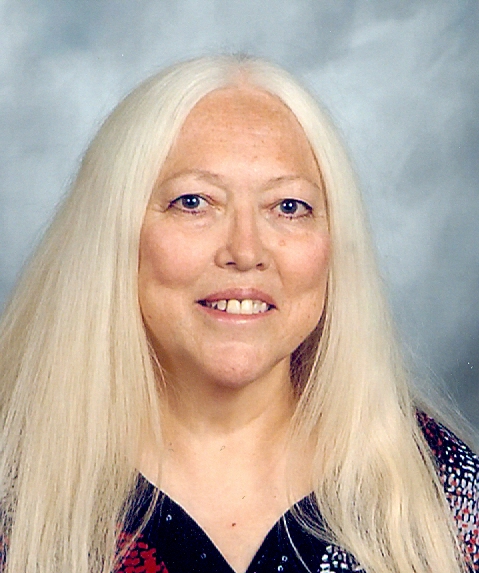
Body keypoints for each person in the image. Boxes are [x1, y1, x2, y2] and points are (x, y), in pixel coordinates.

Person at [0, 55, 477, 573]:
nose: (246, 251)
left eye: (289, 207)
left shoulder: (445, 496)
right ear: (114, 234)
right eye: (193, 202)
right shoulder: (15, 487)